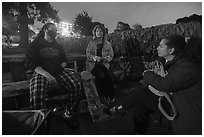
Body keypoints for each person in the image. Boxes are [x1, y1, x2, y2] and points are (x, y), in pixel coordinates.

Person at [26, 22, 81, 129]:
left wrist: (60, 69)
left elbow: (64, 60)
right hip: (41, 72)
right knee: (37, 92)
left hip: (58, 71)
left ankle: (69, 113)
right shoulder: (34, 45)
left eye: (56, 30)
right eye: (52, 29)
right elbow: (32, 64)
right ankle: (40, 123)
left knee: (76, 85)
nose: (55, 32)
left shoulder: (58, 46)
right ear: (45, 30)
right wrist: (47, 75)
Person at [142, 35, 202, 134]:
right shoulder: (176, 62)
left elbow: (165, 84)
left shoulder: (186, 66)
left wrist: (146, 74)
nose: (157, 48)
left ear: (171, 51)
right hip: (184, 107)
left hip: (192, 112)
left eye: (161, 46)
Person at [86, 25, 115, 105]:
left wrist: (106, 58)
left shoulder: (107, 44)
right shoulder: (91, 43)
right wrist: (95, 57)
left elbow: (111, 54)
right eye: (97, 31)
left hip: (104, 64)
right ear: (95, 33)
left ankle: (110, 96)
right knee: (101, 77)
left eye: (100, 31)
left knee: (111, 77)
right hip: (93, 65)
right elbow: (88, 54)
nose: (99, 33)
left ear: (103, 33)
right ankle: (101, 97)